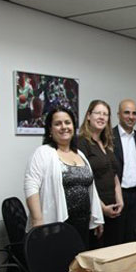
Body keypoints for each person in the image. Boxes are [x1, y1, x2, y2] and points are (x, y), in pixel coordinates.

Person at [25, 106, 104, 248]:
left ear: (73, 126)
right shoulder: (43, 153)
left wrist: (97, 217)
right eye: (58, 123)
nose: (64, 127)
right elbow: (31, 186)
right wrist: (38, 221)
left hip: (83, 224)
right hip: (57, 224)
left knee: (80, 261)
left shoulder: (80, 154)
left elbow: (91, 188)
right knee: (60, 260)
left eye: (68, 122)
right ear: (50, 130)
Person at [77, 100, 124, 248]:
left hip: (113, 209)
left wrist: (120, 200)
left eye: (105, 114)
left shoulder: (106, 143)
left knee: (114, 253)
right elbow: (84, 181)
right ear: (88, 116)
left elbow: (114, 174)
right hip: (95, 211)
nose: (102, 117)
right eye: (98, 113)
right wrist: (101, 208)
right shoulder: (81, 143)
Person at [112, 99, 136, 242]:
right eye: (127, 112)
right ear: (118, 114)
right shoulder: (109, 136)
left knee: (134, 239)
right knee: (116, 238)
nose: (131, 116)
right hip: (117, 196)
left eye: (134, 113)